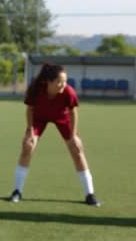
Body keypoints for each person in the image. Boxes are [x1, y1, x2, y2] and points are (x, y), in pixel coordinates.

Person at [8, 63, 100, 206]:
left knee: (77, 150)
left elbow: (73, 112)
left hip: (62, 118)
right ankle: (17, 191)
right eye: (59, 82)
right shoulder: (35, 89)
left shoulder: (68, 92)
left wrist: (74, 135)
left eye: (65, 81)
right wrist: (30, 131)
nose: (63, 85)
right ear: (48, 81)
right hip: (39, 118)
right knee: (27, 147)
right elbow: (30, 109)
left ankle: (90, 194)